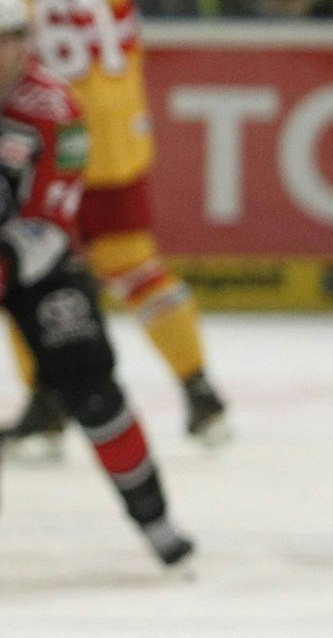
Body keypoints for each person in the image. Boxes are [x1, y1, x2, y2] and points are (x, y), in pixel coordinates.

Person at [0, 0, 193, 568]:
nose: (3, 53)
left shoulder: (56, 106)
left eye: (12, 39)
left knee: (94, 389)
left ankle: (155, 518)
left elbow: (52, 222)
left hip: (37, 263)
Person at [5, 0, 228, 459]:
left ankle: (46, 403)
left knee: (20, 272)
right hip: (115, 146)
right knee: (140, 273)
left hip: (46, 140)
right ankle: (197, 382)